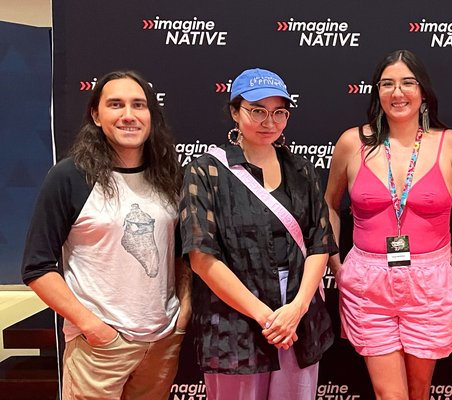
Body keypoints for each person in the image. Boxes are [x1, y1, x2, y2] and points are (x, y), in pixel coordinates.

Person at [21, 70, 189, 399]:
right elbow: (37, 268)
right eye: (116, 104)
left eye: (138, 105)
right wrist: (94, 328)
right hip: (100, 349)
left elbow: (183, 255)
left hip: (162, 343)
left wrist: (183, 315)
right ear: (97, 116)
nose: (129, 115)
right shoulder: (70, 177)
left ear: (151, 115)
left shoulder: (169, 176)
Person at [180, 68, 337, 399]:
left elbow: (319, 243)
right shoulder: (206, 170)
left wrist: (296, 309)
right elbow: (201, 257)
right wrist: (265, 317)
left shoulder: (301, 169)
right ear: (235, 112)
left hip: (297, 313)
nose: (270, 121)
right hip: (234, 315)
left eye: (279, 112)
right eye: (258, 111)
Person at [325, 49, 452, 400]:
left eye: (408, 82)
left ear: (422, 91)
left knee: (419, 391)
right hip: (368, 282)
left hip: (431, 281)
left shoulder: (451, 144)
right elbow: (329, 206)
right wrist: (338, 267)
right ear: (377, 92)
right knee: (388, 392)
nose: (398, 92)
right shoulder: (352, 142)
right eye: (387, 83)